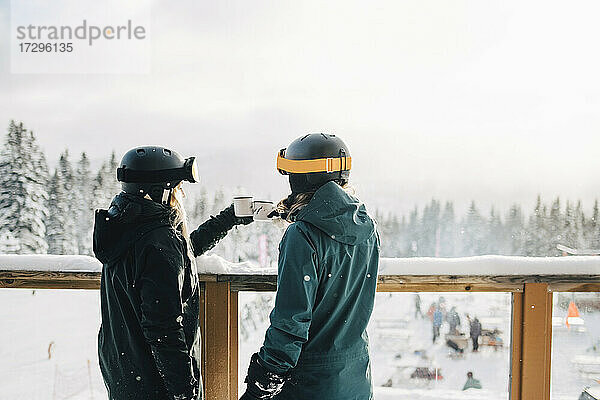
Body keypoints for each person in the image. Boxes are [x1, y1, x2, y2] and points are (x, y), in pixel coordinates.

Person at [93, 146, 252, 400]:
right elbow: (163, 331)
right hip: (154, 383)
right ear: (160, 192)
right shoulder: (156, 242)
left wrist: (227, 219)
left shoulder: (125, 225)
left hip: (125, 372)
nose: (180, 194)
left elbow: (183, 252)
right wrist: (185, 393)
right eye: (177, 187)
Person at [240, 134, 380, 400]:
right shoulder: (367, 227)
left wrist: (265, 378)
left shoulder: (301, 235)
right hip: (354, 376)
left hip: (310, 382)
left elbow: (291, 321)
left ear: (301, 178)